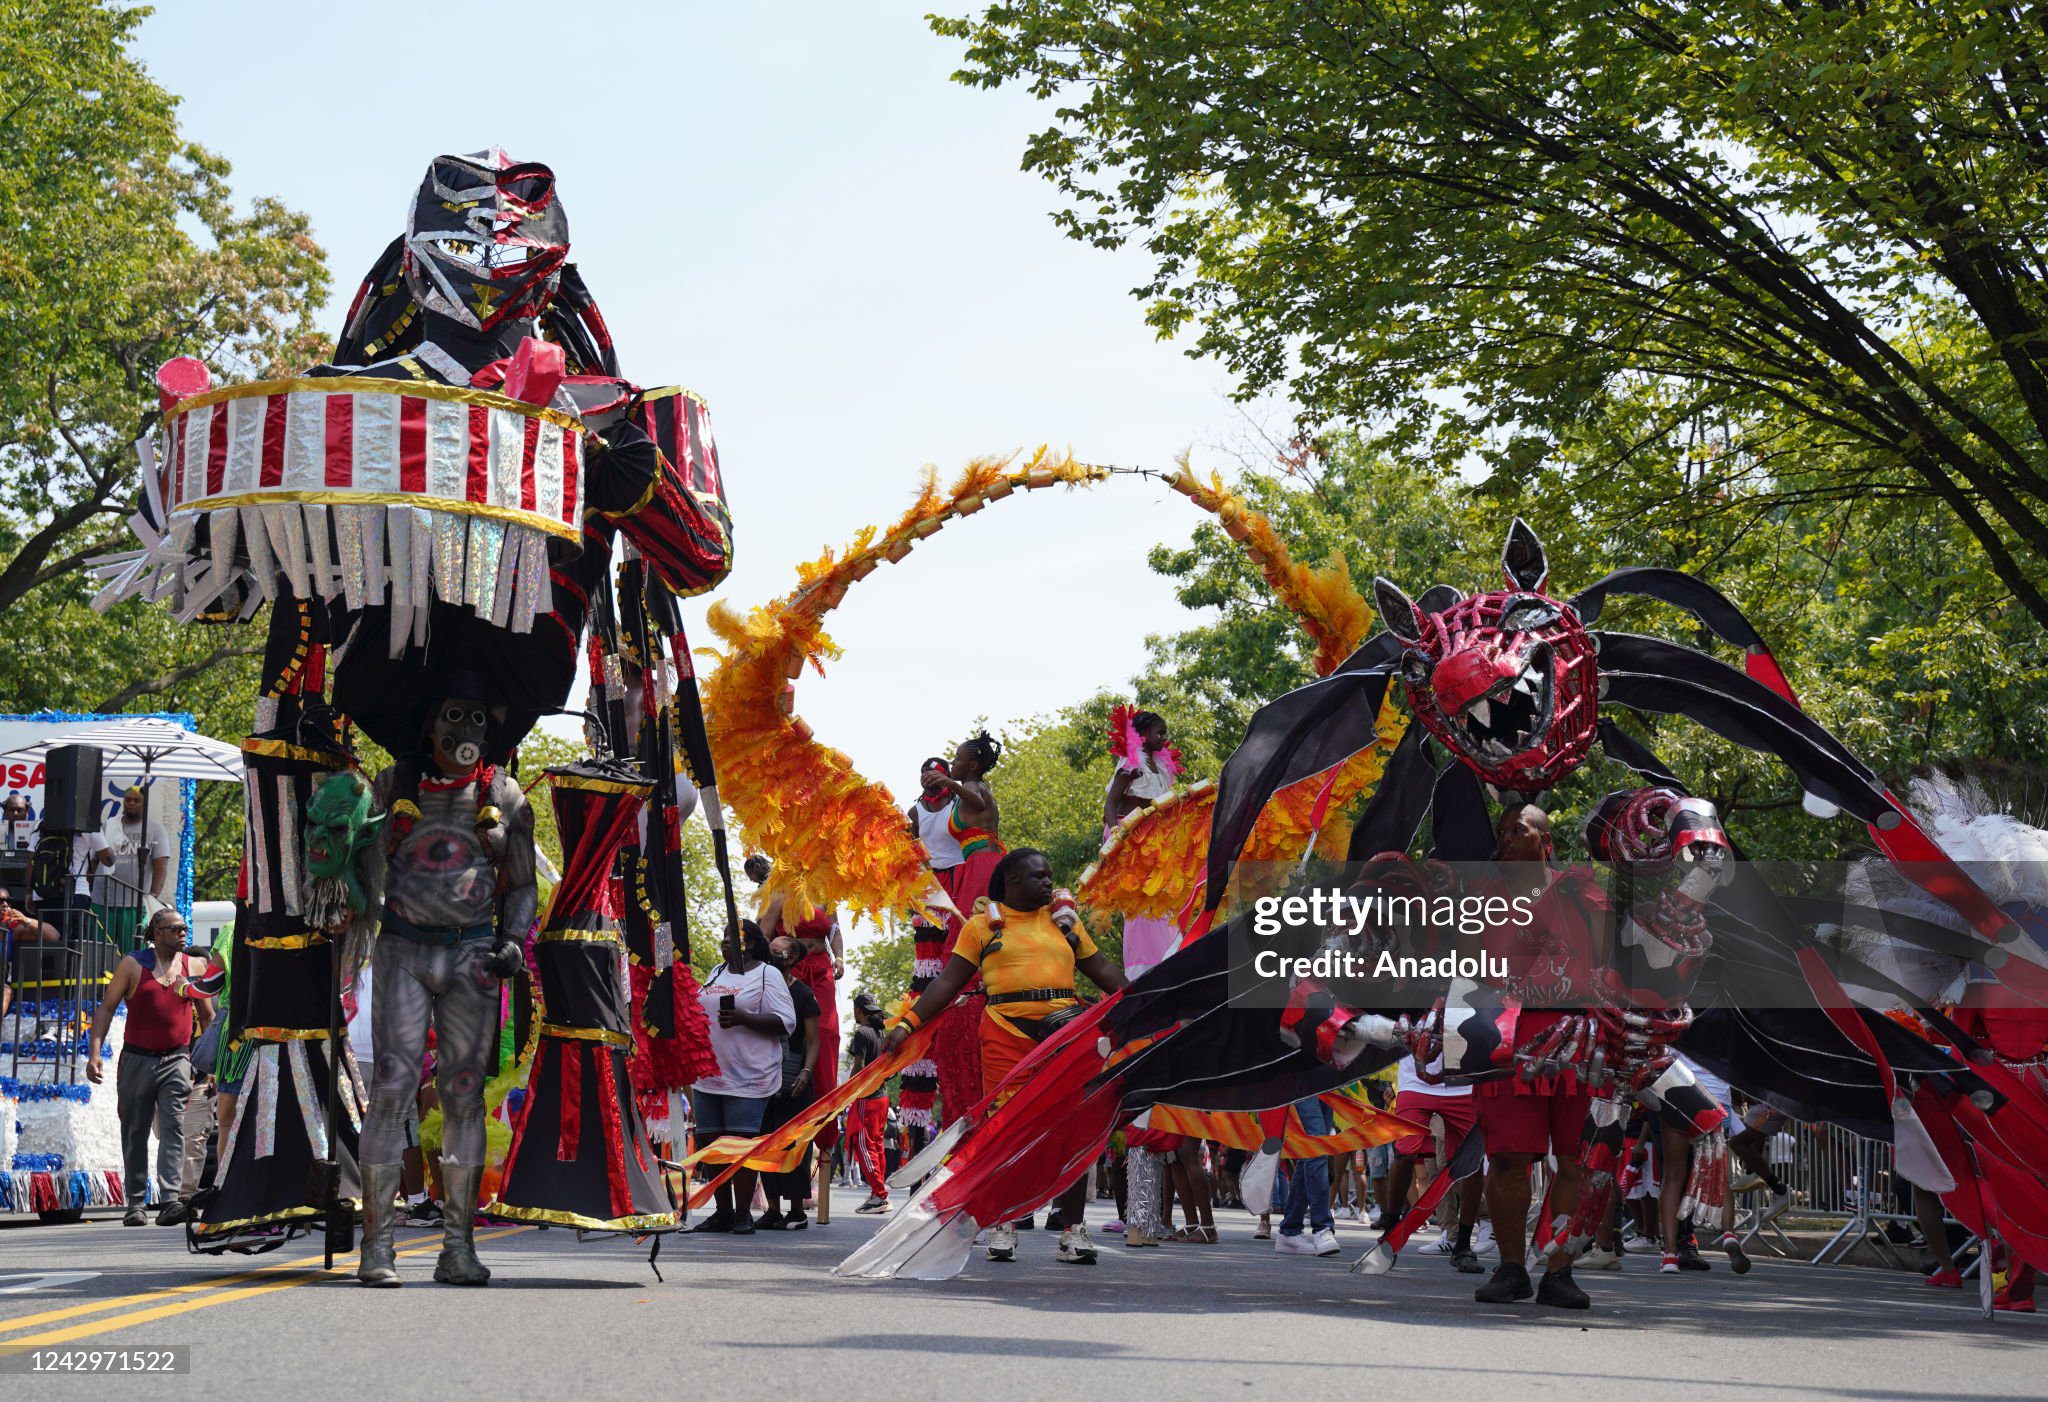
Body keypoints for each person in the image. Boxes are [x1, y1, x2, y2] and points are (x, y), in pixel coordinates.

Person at [357, 690, 535, 1288]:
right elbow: (356, 864)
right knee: (392, 1087)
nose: (467, 728)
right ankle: (376, 1248)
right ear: (429, 728)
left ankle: (457, 1248)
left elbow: (524, 885)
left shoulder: (507, 797)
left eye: (478, 717)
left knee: (463, 1094)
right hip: (402, 948)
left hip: (473, 955)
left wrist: (512, 937)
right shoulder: (389, 786)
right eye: (454, 715)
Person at [885, 848, 1127, 1264]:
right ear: (1013, 881)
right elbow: (947, 983)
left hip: (1065, 1031)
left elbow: (1102, 969)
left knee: (1070, 1127)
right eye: (1040, 876)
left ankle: (1073, 1231)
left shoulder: (1065, 923)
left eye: (1050, 876)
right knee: (1003, 1129)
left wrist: (1147, 1001)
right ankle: (1003, 1224)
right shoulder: (981, 927)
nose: (1050, 884)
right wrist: (906, 1023)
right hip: (1004, 1033)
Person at [1472, 803, 1602, 1310]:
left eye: (1517, 830)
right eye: (1501, 831)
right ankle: (1510, 1269)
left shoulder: (1583, 891)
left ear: (1545, 841)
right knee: (1507, 1159)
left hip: (1574, 1041)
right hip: (1506, 1043)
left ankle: (1559, 1272)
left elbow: (1608, 966)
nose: (1505, 837)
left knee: (1575, 1161)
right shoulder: (1480, 899)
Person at [86, 907, 213, 1226]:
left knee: (174, 1127)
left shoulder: (194, 966)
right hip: (137, 1059)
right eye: (175, 929)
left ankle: (170, 1200)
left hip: (178, 1059)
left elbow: (209, 1017)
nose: (183, 933)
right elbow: (105, 1009)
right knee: (135, 1131)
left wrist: (212, 1064)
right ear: (157, 934)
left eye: (184, 928)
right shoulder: (132, 964)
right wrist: (95, 1053)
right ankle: (136, 1203)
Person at [921, 732, 1006, 1127]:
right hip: (976, 864)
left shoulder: (972, 786)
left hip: (983, 866)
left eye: (956, 760)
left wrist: (953, 784)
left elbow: (976, 800)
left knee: (969, 933)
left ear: (972, 765)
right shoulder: (966, 786)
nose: (952, 765)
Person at [691, 920, 797, 1235]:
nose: (724, 942)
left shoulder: (767, 974)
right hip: (709, 1074)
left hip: (749, 1074)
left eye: (730, 938)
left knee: (739, 1145)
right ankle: (721, 1212)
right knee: (711, 1144)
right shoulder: (715, 972)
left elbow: (786, 1022)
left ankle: (742, 1215)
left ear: (749, 943)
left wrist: (743, 1019)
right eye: (723, 937)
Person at [1102, 708, 1184, 976]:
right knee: (1141, 901)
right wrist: (1117, 834)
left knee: (1161, 894)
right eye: (1158, 733)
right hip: (1128, 835)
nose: (1163, 737)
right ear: (1143, 734)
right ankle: (1143, 965)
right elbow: (1110, 804)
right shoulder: (1131, 764)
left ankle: (1169, 952)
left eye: (1164, 733)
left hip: (1152, 836)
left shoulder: (1159, 765)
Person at [757, 934, 822, 1230]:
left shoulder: (804, 994)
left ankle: (797, 1210)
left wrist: (805, 1073)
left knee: (795, 1144)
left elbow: (813, 1041)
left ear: (793, 959)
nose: (770, 956)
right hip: (762, 1075)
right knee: (766, 1142)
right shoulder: (758, 988)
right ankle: (772, 1208)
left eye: (777, 952)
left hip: (795, 1076)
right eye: (768, 951)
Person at [98, 785, 172, 952]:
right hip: (102, 900)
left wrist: (152, 896)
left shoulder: (155, 829)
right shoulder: (108, 826)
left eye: (137, 800)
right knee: (100, 953)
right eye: (128, 800)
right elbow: (95, 861)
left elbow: (161, 865)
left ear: (144, 804)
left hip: (134, 905)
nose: (131, 803)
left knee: (132, 953)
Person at [1275, 1095, 1341, 1256]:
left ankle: (1289, 1231)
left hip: (1327, 1083)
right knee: (1316, 1149)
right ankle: (1322, 1228)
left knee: (1310, 1155)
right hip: (1303, 1081)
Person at [845, 990, 892, 1213]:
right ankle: (876, 1194)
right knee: (876, 1146)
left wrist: (848, 1090)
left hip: (867, 1098)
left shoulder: (862, 1033)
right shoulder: (882, 1033)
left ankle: (880, 1196)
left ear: (859, 1010)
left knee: (863, 1146)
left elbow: (859, 1066)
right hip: (883, 1098)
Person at [0, 885, 59, 1020]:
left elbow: (53, 935)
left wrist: (26, 921)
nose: (5, 905)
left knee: (6, 992)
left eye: (8, 901)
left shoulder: (11, 932)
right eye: (0, 901)